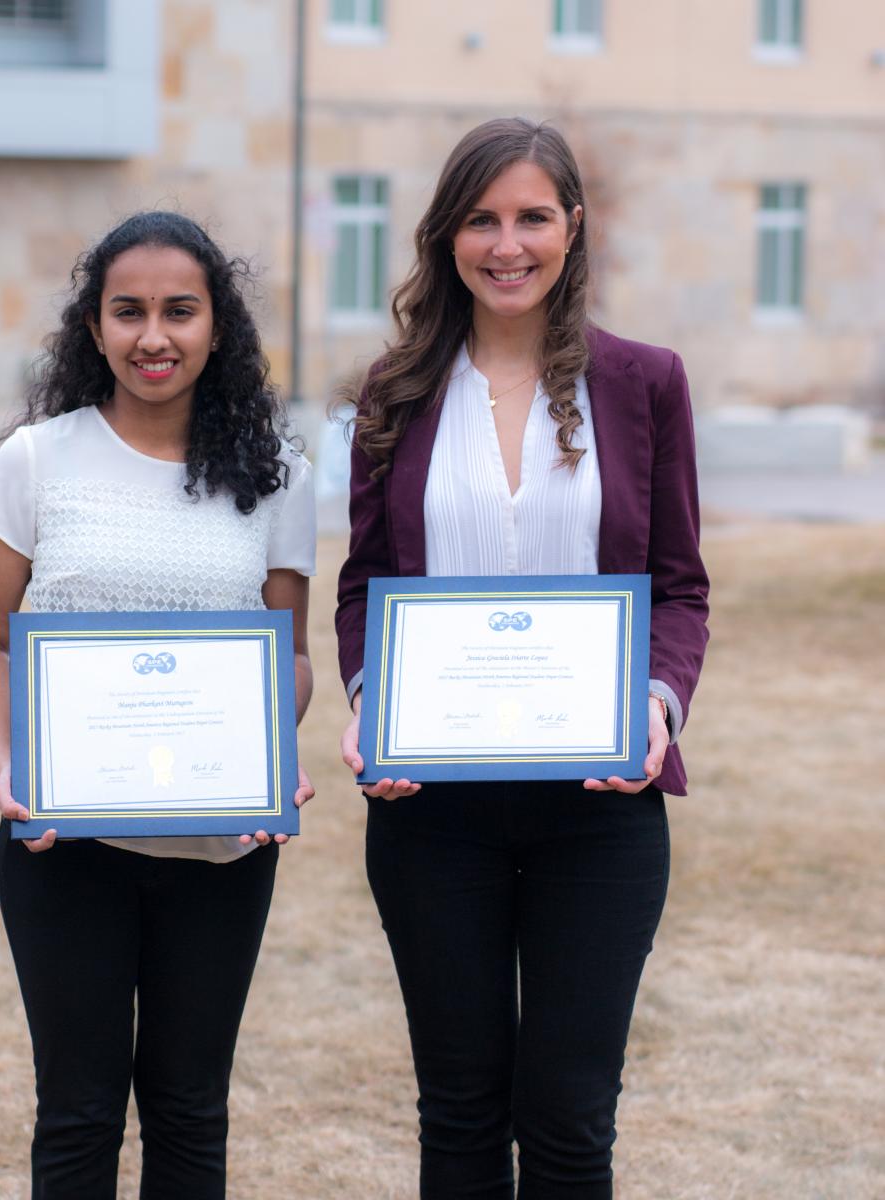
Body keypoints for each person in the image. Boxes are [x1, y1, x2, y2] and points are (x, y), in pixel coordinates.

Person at [336, 118, 709, 1198]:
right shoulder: (395, 390)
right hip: (431, 807)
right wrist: (369, 698)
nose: (508, 244)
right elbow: (365, 582)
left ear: (571, 227)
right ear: (447, 234)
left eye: (532, 217)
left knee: (567, 1125)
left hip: (596, 804)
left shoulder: (645, 384)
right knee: (456, 1117)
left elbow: (679, 586)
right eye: (481, 219)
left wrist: (656, 701)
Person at [0, 211, 315, 1200]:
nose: (153, 336)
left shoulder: (279, 475)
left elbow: (286, 658)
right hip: (64, 843)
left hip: (220, 849)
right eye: (128, 312)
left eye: (179, 311)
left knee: (192, 1112)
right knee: (76, 1115)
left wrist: (268, 753)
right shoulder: (36, 461)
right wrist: (7, 762)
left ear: (217, 325)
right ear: (94, 326)